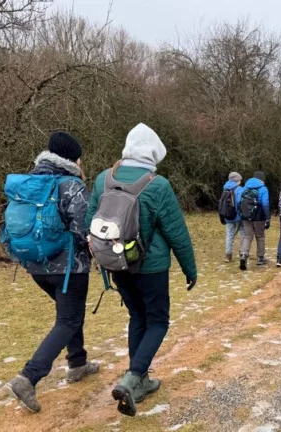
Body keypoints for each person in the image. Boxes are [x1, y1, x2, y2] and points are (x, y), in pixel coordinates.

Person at [85, 123, 198, 416]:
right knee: (158, 321)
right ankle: (133, 377)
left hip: (117, 263)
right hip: (152, 267)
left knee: (137, 316)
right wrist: (190, 270)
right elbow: (177, 233)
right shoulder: (157, 185)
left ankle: (141, 380)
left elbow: (90, 222)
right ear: (153, 155)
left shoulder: (102, 180)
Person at [4, 132, 98, 413]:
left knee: (68, 314)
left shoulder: (30, 184)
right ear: (72, 158)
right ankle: (28, 377)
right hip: (69, 269)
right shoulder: (72, 186)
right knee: (68, 319)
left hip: (35, 266)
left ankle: (77, 363)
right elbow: (86, 230)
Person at [238, 171, 271, 270]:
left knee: (247, 236)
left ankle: (243, 255)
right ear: (262, 179)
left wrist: (241, 214)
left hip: (245, 216)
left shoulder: (245, 187)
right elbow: (265, 203)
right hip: (259, 216)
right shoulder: (263, 188)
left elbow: (239, 202)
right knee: (260, 236)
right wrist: (267, 217)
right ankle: (260, 258)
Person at [220, 172, 245, 263]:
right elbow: (240, 204)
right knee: (243, 233)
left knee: (229, 235)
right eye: (240, 180)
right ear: (237, 180)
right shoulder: (240, 190)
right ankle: (242, 252)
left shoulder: (225, 189)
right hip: (238, 216)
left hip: (228, 216)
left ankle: (228, 255)